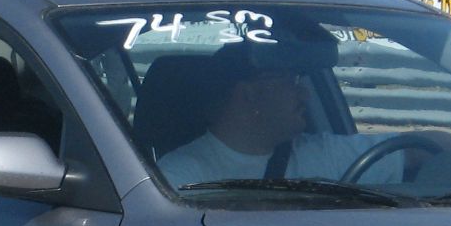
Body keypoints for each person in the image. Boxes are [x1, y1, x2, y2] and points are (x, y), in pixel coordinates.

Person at [157, 35, 404, 188]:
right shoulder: (179, 177)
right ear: (250, 94)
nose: (304, 94)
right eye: (290, 81)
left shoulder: (322, 152)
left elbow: (421, 147)